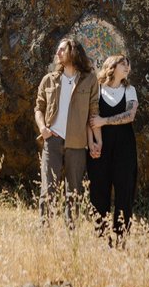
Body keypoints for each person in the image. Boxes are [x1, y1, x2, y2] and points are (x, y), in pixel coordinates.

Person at [34, 37, 99, 224]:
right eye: (58, 49)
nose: (58, 53)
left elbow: (94, 112)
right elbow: (39, 108)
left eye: (62, 49)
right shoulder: (49, 80)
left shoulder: (90, 80)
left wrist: (95, 141)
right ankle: (44, 230)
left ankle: (71, 232)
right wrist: (43, 129)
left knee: (74, 190)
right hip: (52, 140)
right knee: (48, 189)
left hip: (77, 142)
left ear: (73, 51)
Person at [87, 54, 138, 244]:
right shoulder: (98, 90)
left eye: (128, 64)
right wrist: (92, 143)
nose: (127, 67)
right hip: (101, 146)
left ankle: (120, 237)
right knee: (99, 191)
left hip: (125, 148)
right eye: (123, 63)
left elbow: (130, 115)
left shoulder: (130, 90)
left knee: (125, 191)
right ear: (111, 67)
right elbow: (90, 119)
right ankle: (101, 236)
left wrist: (105, 121)